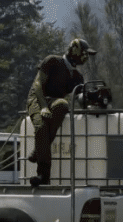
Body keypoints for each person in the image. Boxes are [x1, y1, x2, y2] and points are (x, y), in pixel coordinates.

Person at [26, 38, 96, 187]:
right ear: (75, 51)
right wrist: (43, 106)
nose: (86, 58)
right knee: (41, 126)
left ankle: (38, 151)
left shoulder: (77, 77)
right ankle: (43, 175)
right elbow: (38, 85)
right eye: (84, 54)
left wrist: (93, 98)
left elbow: (80, 98)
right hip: (37, 98)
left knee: (63, 104)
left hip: (54, 102)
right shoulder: (52, 61)